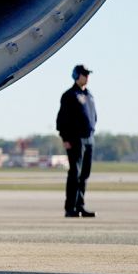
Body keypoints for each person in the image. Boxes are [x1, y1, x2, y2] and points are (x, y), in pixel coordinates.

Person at [56, 64, 98, 218]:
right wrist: (65, 138)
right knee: (75, 172)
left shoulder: (89, 95)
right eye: (84, 74)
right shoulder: (69, 95)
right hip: (75, 139)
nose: (87, 77)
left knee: (85, 173)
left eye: (88, 74)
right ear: (76, 75)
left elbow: (93, 116)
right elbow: (61, 119)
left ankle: (80, 205)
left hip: (89, 139)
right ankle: (70, 207)